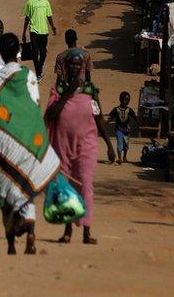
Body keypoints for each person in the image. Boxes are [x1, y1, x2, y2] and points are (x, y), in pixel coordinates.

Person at [0, 33, 60, 255]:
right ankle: (31, 232)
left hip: (3, 141)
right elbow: (34, 104)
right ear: (18, 53)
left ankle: (11, 243)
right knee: (26, 185)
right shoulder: (29, 76)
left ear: (1, 54)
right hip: (29, 138)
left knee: (7, 186)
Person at [45, 50, 116, 245]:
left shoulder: (90, 89)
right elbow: (50, 115)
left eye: (79, 64)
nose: (76, 68)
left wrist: (110, 145)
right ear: (66, 68)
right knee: (66, 187)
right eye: (72, 65)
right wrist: (68, 94)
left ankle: (86, 230)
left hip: (86, 145)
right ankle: (67, 230)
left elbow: (99, 118)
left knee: (86, 184)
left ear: (82, 68)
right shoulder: (58, 89)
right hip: (62, 146)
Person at [22, 0, 56, 81]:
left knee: (43, 53)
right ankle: (38, 73)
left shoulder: (46, 2)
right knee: (35, 52)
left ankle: (39, 68)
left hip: (44, 31)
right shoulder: (30, 2)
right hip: (34, 30)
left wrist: (53, 27)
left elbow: (49, 16)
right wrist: (24, 32)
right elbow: (27, 18)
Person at [108, 91, 137, 164]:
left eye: (128, 100)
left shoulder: (129, 110)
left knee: (126, 145)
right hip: (119, 129)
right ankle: (119, 158)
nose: (126, 101)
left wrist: (139, 124)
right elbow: (111, 117)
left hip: (127, 130)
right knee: (120, 144)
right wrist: (107, 121)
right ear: (120, 99)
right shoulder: (116, 109)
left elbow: (135, 117)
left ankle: (125, 157)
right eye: (124, 99)